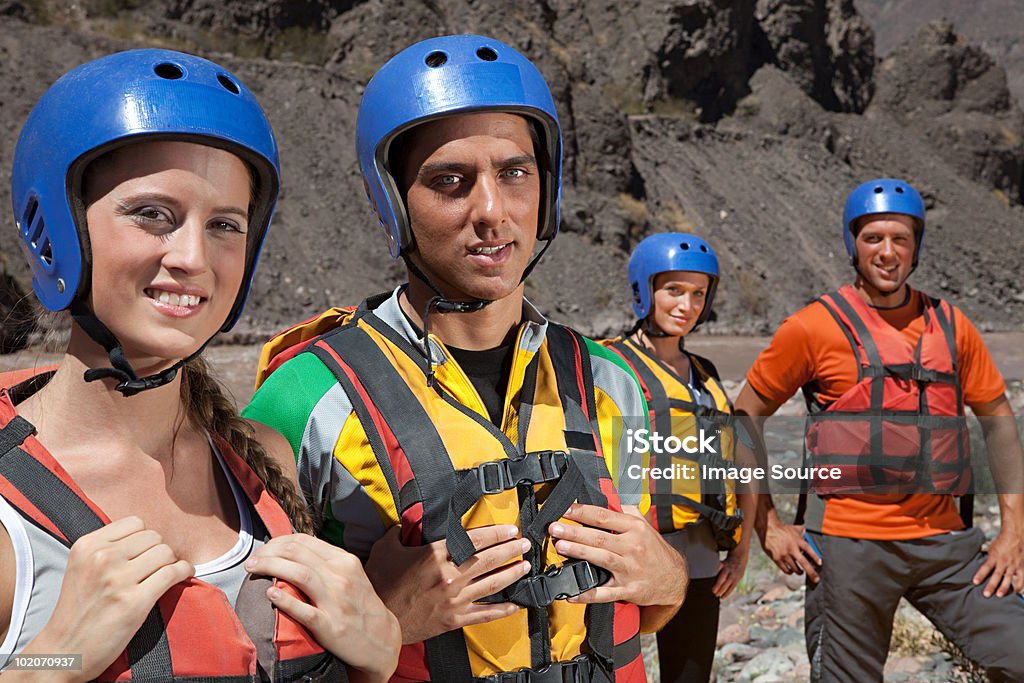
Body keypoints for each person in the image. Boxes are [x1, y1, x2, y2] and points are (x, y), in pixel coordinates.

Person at [244, 35, 687, 683]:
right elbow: (250, 652)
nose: (491, 211)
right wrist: (382, 619)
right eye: (450, 181)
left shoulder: (613, 381)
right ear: (394, 201)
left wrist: (671, 577)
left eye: (514, 173)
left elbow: (645, 599)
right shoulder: (301, 400)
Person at [0, 49, 400, 682]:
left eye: (224, 225)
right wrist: (55, 661)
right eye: (153, 214)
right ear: (58, 225)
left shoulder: (264, 462)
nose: (192, 256)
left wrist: (378, 660)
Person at [734, 178, 1024, 681]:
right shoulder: (812, 327)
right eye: (873, 238)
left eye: (901, 239)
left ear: (916, 248)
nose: (887, 253)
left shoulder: (952, 326)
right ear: (853, 245)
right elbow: (745, 417)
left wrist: (1014, 532)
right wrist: (769, 526)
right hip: (847, 550)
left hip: (946, 545)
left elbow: (998, 422)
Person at [602, 233, 753, 683]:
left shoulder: (705, 375)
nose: (686, 304)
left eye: (697, 294)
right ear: (643, 291)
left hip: (702, 555)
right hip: (628, 552)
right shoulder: (608, 364)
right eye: (673, 290)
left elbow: (742, 463)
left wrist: (741, 552)